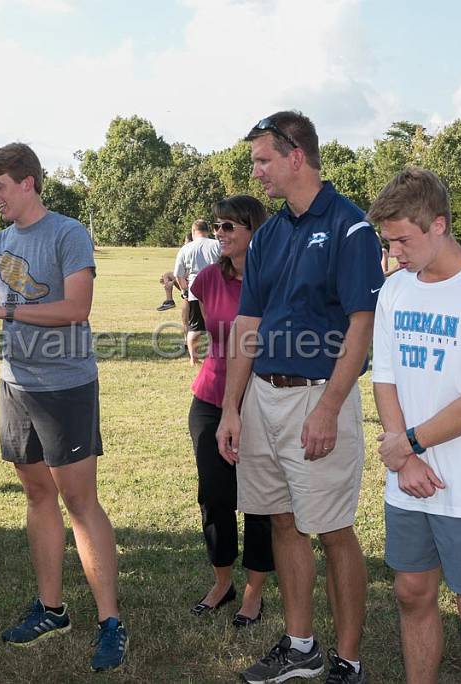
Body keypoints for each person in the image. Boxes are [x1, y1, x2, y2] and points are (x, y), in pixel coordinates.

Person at [216, 111, 382, 684]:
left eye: (263, 160)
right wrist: (232, 408)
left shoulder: (349, 226)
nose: (256, 172)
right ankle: (301, 645)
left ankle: (348, 659)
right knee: (283, 522)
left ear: (295, 157)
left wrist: (330, 408)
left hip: (319, 398)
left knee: (333, 529)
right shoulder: (268, 235)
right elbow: (248, 325)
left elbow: (362, 324)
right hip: (263, 396)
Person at [0, 142, 128, 672]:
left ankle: (110, 622)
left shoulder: (69, 234)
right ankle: (52, 608)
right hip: (16, 385)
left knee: (80, 501)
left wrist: (0, 309)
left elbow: (77, 308)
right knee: (36, 495)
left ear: (27, 182)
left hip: (65, 386)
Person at [368, 168, 461, 684]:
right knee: (411, 594)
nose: (395, 255)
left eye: (402, 241)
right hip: (406, 478)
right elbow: (385, 379)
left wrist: (408, 444)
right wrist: (405, 458)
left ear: (438, 225)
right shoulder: (394, 292)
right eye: (387, 243)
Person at [187, 195, 274, 627]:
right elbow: (215, 337)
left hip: (261, 401)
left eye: (228, 228)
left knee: (259, 500)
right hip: (209, 398)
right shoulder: (206, 279)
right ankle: (223, 582)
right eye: (217, 226)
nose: (219, 234)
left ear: (252, 233)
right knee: (214, 496)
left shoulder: (275, 279)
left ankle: (255, 594)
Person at [174, 219, 220, 365]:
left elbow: (178, 274)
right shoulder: (217, 245)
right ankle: (214, 355)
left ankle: (193, 358)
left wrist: (184, 290)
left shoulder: (186, 248)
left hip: (195, 290)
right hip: (216, 291)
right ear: (207, 230)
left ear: (194, 232)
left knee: (194, 326)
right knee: (216, 326)